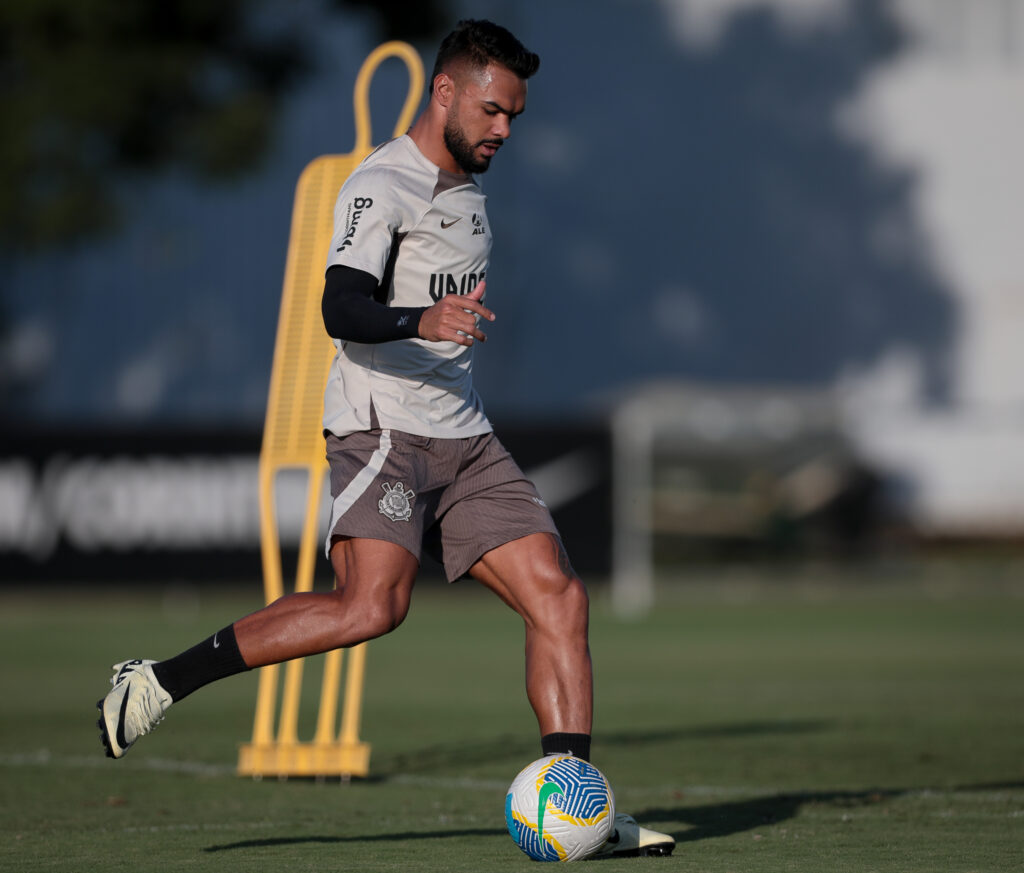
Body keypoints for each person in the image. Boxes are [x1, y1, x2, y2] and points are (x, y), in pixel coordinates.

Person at [96, 19, 674, 858]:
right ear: (444, 91)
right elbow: (340, 305)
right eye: (492, 110)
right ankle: (158, 680)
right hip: (382, 428)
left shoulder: (469, 182)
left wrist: (440, 330)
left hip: (464, 431)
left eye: (514, 115)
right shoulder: (381, 184)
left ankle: (579, 805)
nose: (504, 129)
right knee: (372, 607)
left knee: (560, 597)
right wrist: (420, 318)